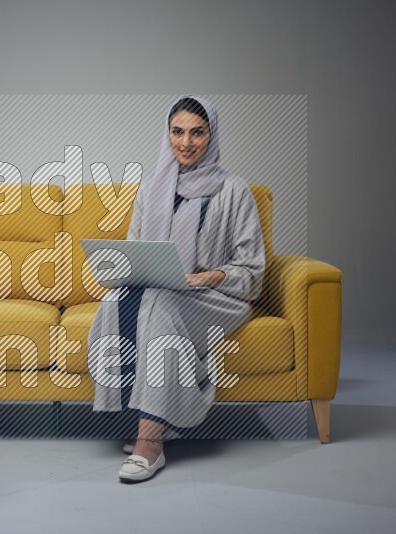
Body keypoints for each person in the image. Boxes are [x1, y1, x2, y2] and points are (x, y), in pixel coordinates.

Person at [87, 95, 266, 483]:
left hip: (217, 298)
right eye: (177, 132)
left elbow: (252, 272)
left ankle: (149, 443)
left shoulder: (234, 191)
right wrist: (124, 270)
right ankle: (150, 418)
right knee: (118, 301)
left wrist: (207, 277)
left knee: (159, 303)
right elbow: (135, 250)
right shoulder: (151, 189)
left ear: (211, 136)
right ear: (167, 134)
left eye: (197, 133)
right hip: (163, 292)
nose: (186, 143)